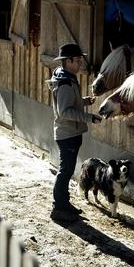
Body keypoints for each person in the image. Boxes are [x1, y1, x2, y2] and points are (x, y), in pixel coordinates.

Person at [47, 43, 102, 222]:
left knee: (67, 169)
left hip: (71, 132)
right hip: (67, 133)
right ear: (68, 61)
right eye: (77, 60)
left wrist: (84, 101)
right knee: (65, 171)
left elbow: (70, 104)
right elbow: (64, 111)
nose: (80, 64)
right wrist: (89, 117)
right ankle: (58, 207)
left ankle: (64, 204)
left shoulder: (67, 77)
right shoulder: (64, 83)